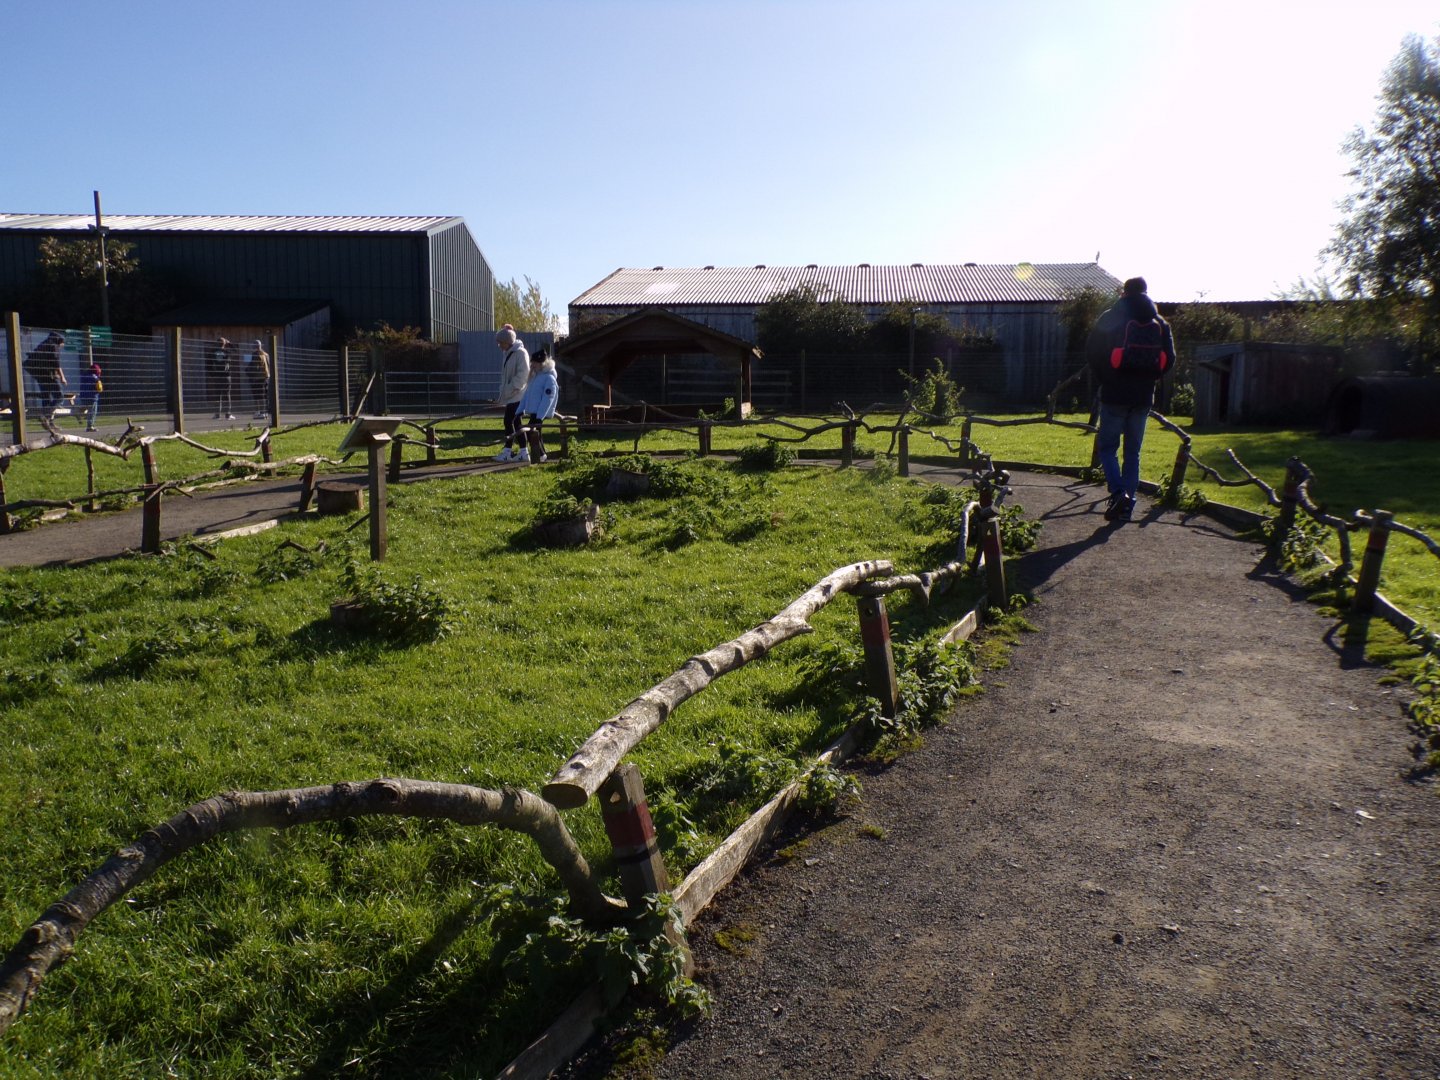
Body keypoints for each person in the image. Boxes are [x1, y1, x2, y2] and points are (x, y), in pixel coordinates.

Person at [1085, 276, 1176, 522]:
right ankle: (1129, 501)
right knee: (1133, 452)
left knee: (1107, 448)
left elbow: (1092, 351)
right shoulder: (1159, 322)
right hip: (1143, 396)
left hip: (1114, 394)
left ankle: (1117, 493)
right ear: (1146, 292)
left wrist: (1107, 378)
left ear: (1124, 293)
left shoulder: (1111, 317)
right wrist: (1150, 377)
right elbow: (1170, 359)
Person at [515, 346, 559, 464]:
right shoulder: (535, 377)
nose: (532, 365)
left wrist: (540, 415)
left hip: (539, 412)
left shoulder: (549, 378)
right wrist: (520, 410)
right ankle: (542, 454)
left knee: (531, 432)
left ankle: (540, 455)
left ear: (541, 363)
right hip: (534, 411)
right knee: (536, 434)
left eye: (534, 363)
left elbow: (548, 398)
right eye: (532, 363)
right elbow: (526, 395)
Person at [493, 325, 530, 461]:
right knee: (516, 423)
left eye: (501, 343)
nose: (499, 346)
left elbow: (523, 375)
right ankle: (523, 452)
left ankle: (508, 451)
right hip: (513, 394)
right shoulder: (509, 353)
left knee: (508, 421)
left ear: (508, 342)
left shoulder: (520, 353)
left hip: (517, 395)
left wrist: (510, 389)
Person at [25, 331, 67, 414]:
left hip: (39, 375)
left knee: (46, 397)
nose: (63, 345)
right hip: (48, 375)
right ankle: (45, 415)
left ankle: (48, 422)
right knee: (59, 397)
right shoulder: (53, 346)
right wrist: (62, 377)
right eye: (62, 343)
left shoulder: (43, 345)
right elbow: (56, 363)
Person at [210, 337, 235, 419]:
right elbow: (235, 350)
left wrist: (212, 375)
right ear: (224, 344)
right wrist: (229, 343)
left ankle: (217, 414)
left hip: (217, 376)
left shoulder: (213, 352)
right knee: (227, 395)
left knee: (217, 395)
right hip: (226, 376)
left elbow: (209, 363)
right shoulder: (227, 351)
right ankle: (228, 414)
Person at [249, 340, 271, 419]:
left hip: (257, 378)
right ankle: (263, 412)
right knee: (263, 395)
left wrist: (250, 373)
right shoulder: (266, 354)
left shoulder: (255, 354)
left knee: (258, 396)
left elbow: (254, 367)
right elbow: (269, 365)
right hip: (266, 377)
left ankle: (260, 412)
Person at [81, 361, 103, 432]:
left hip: (83, 396)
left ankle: (84, 420)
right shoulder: (95, 378)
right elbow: (99, 388)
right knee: (92, 412)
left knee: (87, 410)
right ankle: (90, 426)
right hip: (92, 397)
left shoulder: (84, 376)